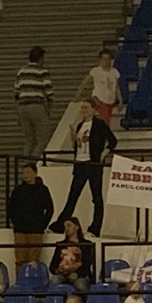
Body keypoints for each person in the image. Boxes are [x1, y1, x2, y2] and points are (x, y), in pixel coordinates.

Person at [50, 100, 117, 238]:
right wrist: (73, 137)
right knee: (73, 196)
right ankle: (60, 224)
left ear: (93, 109)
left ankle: (95, 228)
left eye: (86, 107)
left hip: (93, 164)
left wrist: (102, 154)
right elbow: (78, 146)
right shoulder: (80, 125)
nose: (83, 110)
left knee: (96, 197)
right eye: (82, 108)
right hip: (80, 164)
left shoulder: (99, 124)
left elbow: (113, 141)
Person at [7, 163, 54, 275]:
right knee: (20, 260)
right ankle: (20, 281)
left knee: (33, 260)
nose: (25, 175)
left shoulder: (43, 190)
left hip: (36, 229)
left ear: (35, 173)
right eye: (23, 173)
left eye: (28, 172)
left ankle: (32, 280)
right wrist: (15, 222)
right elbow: (11, 207)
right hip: (20, 229)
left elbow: (50, 208)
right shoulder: (18, 190)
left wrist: (42, 225)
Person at [15, 46, 53, 160]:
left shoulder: (21, 72)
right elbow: (49, 93)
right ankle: (33, 162)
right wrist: (48, 110)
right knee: (43, 138)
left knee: (29, 140)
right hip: (36, 106)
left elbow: (16, 93)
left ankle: (25, 163)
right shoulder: (42, 72)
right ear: (41, 59)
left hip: (22, 107)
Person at [76, 49, 123, 126]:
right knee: (105, 119)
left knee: (107, 118)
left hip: (110, 100)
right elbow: (85, 82)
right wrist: (78, 93)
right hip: (99, 98)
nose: (106, 61)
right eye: (104, 59)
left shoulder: (114, 72)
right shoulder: (95, 71)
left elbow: (117, 87)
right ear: (100, 60)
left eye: (108, 59)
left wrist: (120, 101)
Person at [49, 217, 94, 293]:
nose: (66, 228)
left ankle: (82, 300)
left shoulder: (86, 244)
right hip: (62, 274)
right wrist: (57, 270)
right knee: (54, 281)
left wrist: (77, 273)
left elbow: (87, 263)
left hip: (80, 275)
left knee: (80, 285)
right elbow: (53, 265)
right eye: (65, 226)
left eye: (69, 225)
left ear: (77, 227)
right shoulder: (60, 244)